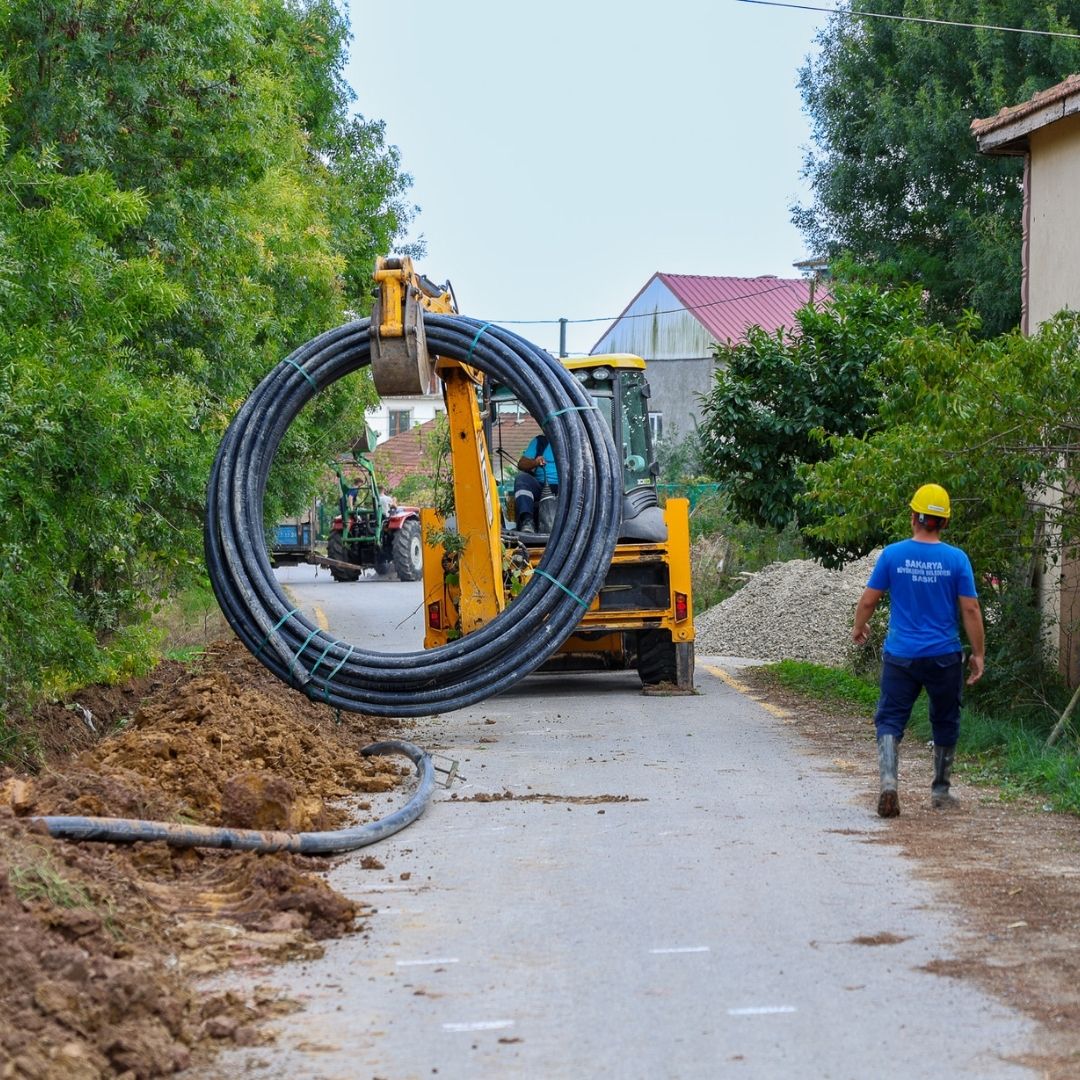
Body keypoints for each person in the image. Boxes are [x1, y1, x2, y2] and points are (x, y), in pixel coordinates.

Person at [851, 483, 985, 818]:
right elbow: (970, 609)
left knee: (890, 718)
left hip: (901, 655)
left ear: (913, 517)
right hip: (944, 656)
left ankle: (888, 782)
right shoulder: (956, 559)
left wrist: (859, 627)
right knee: (945, 718)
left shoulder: (893, 555)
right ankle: (940, 791)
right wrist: (979, 654)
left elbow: (869, 599)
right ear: (944, 523)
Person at [513, 434, 557, 532]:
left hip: (567, 486)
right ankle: (527, 522)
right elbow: (522, 464)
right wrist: (535, 462)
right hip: (541, 485)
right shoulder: (540, 442)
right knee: (522, 479)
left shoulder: (574, 443)